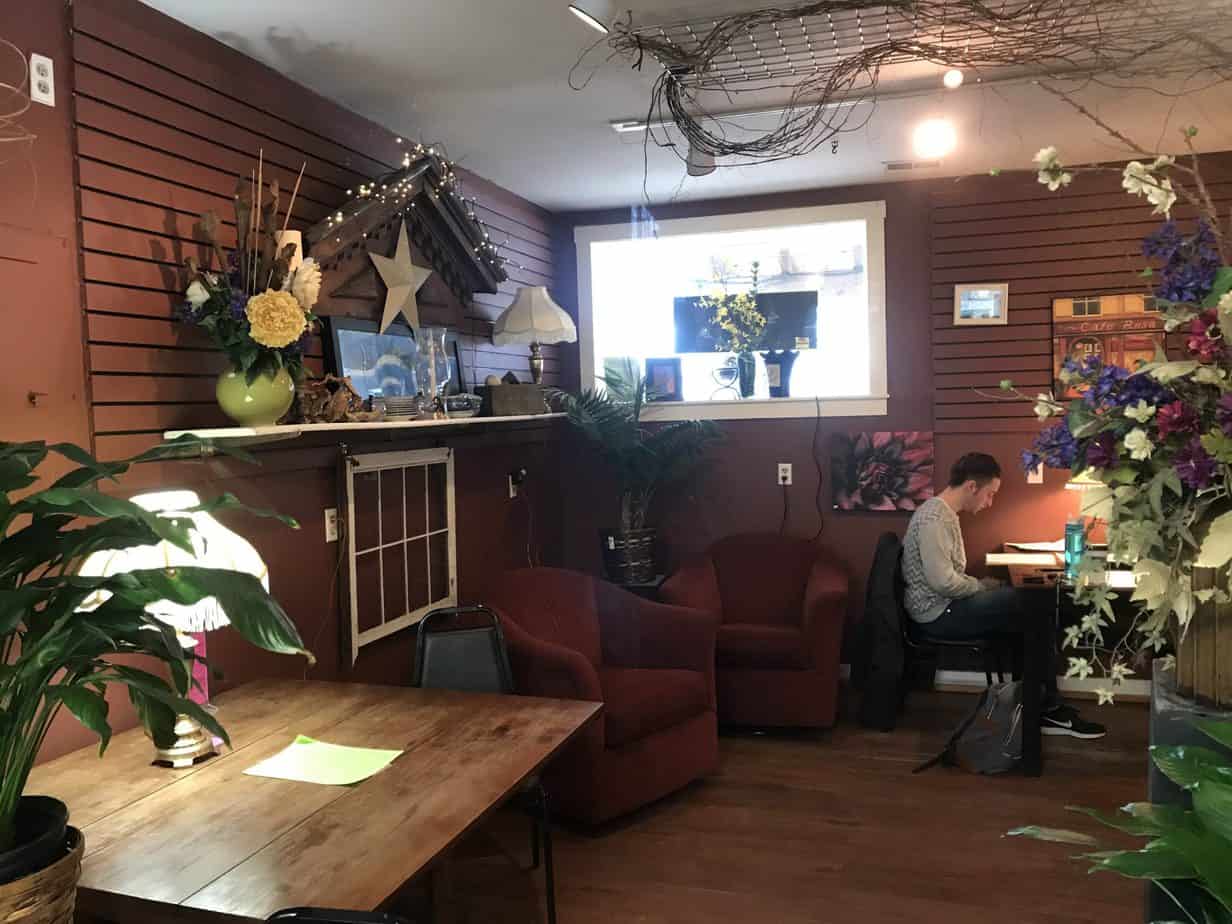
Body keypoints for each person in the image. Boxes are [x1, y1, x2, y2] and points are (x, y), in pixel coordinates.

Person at [901, 452, 1105, 739]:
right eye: (990, 494)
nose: (990, 502)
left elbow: (947, 579)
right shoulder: (935, 518)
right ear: (972, 486)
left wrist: (981, 586)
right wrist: (982, 587)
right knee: (1034, 603)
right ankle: (1046, 709)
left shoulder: (942, 514)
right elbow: (943, 583)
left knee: (1033, 607)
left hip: (947, 606)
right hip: (938, 613)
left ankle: (1038, 705)